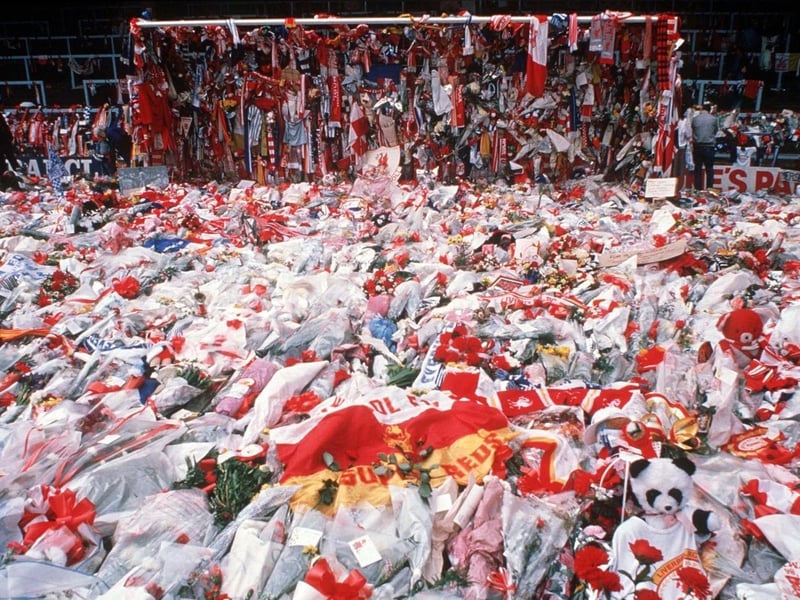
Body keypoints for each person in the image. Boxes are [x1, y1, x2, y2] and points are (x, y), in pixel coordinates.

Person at [691, 102, 719, 191]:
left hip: (698, 146)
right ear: (709, 109)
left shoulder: (695, 119)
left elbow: (693, 130)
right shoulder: (713, 119)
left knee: (698, 169)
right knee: (709, 169)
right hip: (709, 146)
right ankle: (710, 188)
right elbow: (715, 131)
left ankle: (697, 189)